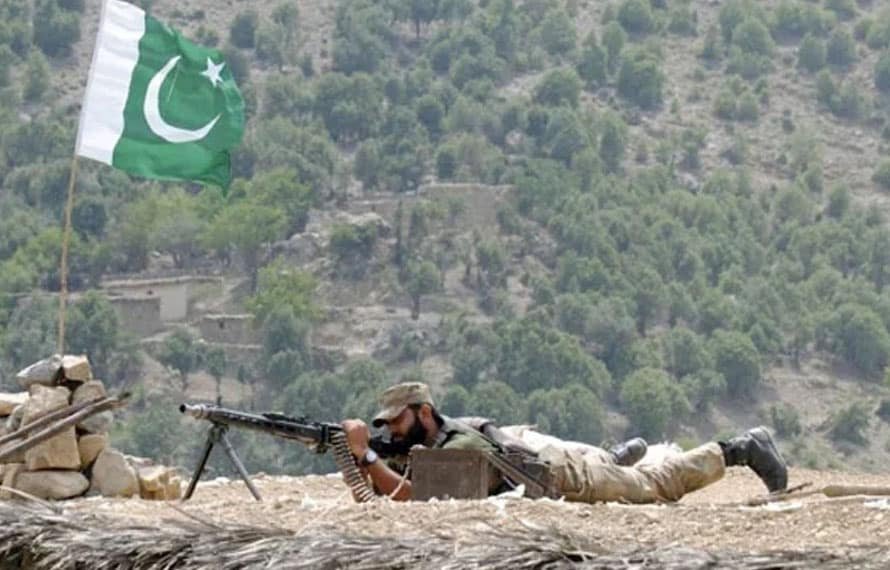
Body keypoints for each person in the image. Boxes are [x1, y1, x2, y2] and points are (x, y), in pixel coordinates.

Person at [341, 382, 788, 503]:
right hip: (536, 453)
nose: (392, 431)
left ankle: (740, 448)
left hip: (562, 474)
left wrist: (366, 455)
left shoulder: (459, 448)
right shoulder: (438, 438)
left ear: (424, 412)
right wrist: (363, 460)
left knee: (654, 486)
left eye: (398, 421)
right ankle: (613, 457)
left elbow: (414, 496)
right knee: (608, 466)